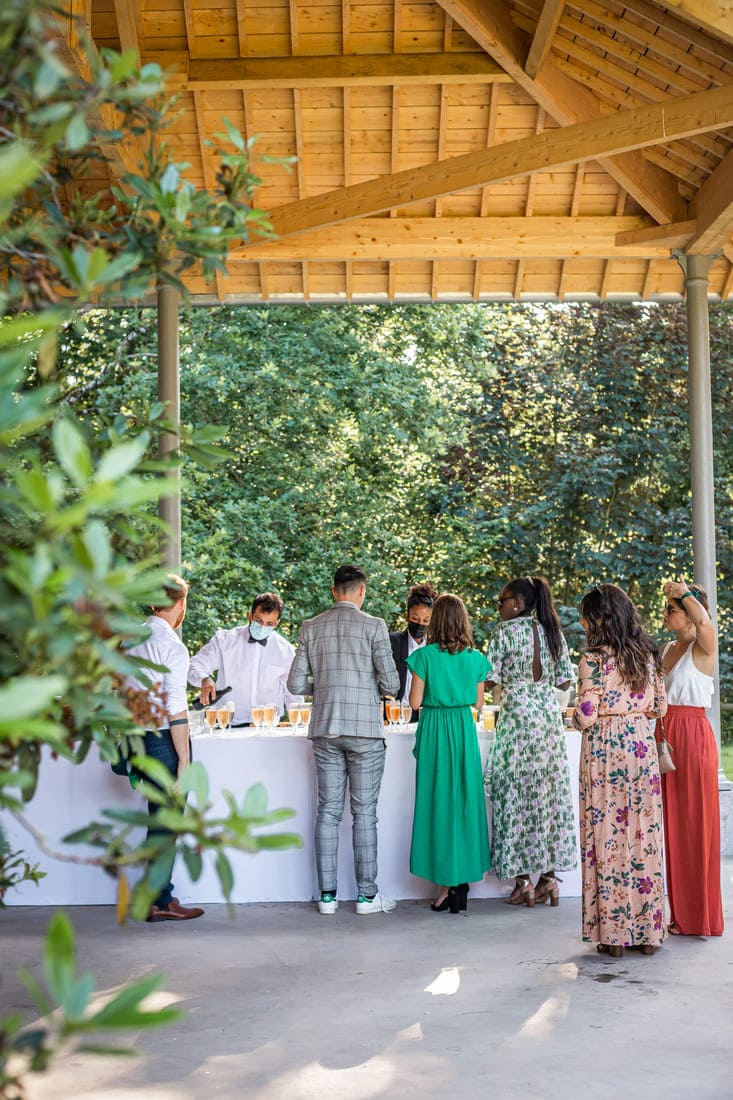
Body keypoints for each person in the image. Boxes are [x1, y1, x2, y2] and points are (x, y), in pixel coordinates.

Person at [287, 565, 399, 915]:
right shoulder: (375, 626)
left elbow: (295, 684)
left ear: (334, 591)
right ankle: (367, 897)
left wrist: (324, 685)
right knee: (364, 814)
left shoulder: (311, 626)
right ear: (362, 591)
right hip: (365, 730)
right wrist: (364, 686)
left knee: (328, 811)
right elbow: (392, 684)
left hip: (325, 728)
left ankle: (327, 897)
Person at [576, 583, 667, 957]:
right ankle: (647, 934)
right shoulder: (648, 655)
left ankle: (612, 937)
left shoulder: (593, 660)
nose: (582, 624)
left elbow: (587, 714)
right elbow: (660, 707)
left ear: (599, 619)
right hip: (641, 748)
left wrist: (576, 714)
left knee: (607, 837)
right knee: (643, 835)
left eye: (586, 617)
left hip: (604, 750)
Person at [484, 576, 577, 907]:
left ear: (517, 603)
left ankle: (522, 881)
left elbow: (489, 678)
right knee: (547, 796)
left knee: (515, 796)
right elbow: (565, 681)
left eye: (502, 600)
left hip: (518, 717)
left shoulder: (504, 632)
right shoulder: (553, 631)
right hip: (548, 718)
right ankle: (549, 879)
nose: (499, 606)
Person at [125, 573, 204, 922]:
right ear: (181, 604)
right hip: (162, 741)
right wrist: (184, 760)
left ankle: (155, 896)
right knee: (167, 822)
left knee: (158, 820)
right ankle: (159, 901)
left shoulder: (131, 637)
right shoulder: (171, 645)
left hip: (136, 738)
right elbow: (176, 707)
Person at [407, 593, 492, 913]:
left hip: (435, 731)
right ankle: (459, 881)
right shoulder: (475, 658)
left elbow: (414, 703)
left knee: (438, 804)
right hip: (462, 729)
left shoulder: (424, 657)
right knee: (464, 804)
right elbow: (479, 702)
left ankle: (447, 884)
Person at [659, 576, 724, 937]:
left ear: (688, 611)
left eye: (672, 610)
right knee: (673, 827)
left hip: (693, 735)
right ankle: (680, 914)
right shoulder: (668, 648)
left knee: (696, 825)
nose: (666, 614)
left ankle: (701, 916)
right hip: (666, 737)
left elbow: (703, 621)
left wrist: (683, 593)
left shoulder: (705, 645)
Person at [188, 592, 303, 725]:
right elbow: (194, 665)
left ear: (277, 623)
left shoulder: (286, 651)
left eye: (269, 624)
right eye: (258, 621)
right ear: (250, 616)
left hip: (268, 727)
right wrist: (204, 679)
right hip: (227, 725)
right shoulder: (224, 640)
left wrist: (299, 723)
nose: (263, 627)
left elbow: (293, 694)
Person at [389, 582, 437, 722]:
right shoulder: (392, 642)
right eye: (415, 618)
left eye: (425, 620)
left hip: (425, 716)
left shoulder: (435, 649)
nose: (420, 624)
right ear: (407, 616)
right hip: (396, 714)